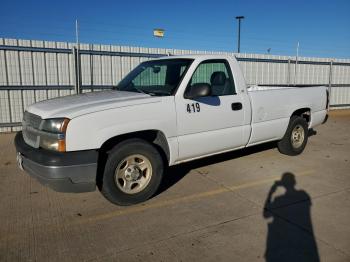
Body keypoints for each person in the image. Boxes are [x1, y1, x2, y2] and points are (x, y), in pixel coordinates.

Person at [263, 172, 320, 262]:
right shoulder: (304, 194)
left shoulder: (279, 199)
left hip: (282, 239)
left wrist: (271, 191)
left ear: (283, 184)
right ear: (294, 182)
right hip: (304, 239)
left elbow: (266, 215)